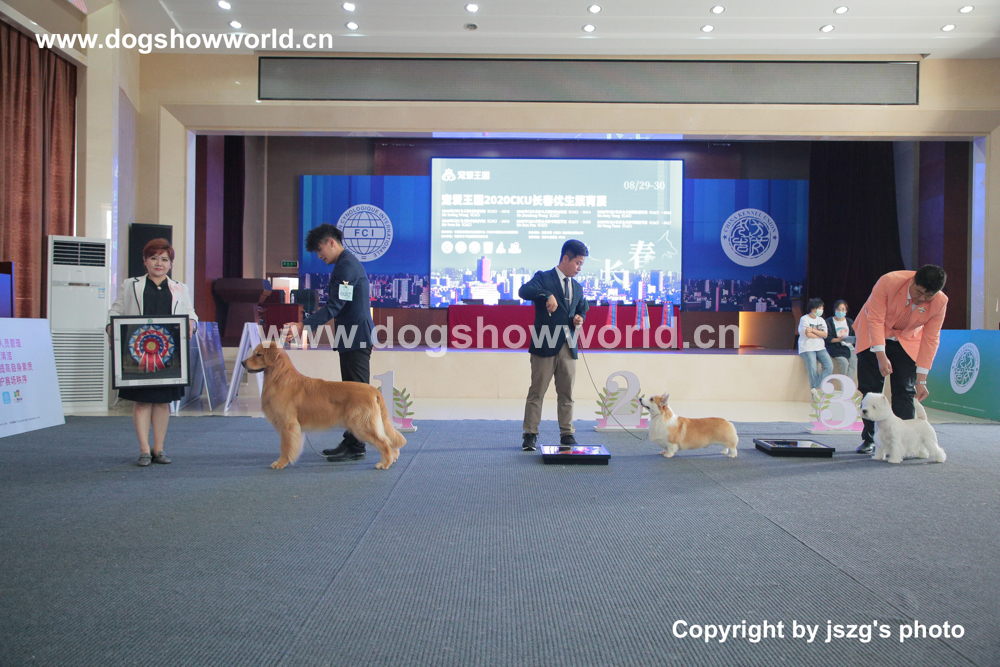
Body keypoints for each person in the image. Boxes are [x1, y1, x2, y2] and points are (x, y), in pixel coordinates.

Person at [284, 223, 375, 463]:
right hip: (351, 336)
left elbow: (335, 306)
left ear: (331, 242)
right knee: (351, 394)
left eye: (319, 249)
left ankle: (357, 446)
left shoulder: (346, 266)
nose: (319, 255)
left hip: (356, 337)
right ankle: (352, 441)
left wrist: (303, 326)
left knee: (357, 395)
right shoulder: (345, 264)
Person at [107, 239, 198, 467]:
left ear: (171, 263)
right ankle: (144, 450)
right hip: (138, 355)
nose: (159, 263)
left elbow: (191, 313)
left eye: (164, 259)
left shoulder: (180, 288)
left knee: (162, 402)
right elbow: (116, 311)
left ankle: (159, 448)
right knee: (142, 402)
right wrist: (110, 327)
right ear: (145, 261)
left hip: (169, 356)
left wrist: (192, 324)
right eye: (154, 258)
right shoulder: (130, 285)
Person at [853, 265, 948, 454]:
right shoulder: (889, 282)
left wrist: (921, 380)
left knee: (905, 390)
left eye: (928, 296)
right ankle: (871, 439)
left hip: (906, 339)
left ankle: (904, 443)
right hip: (872, 333)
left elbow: (931, 339)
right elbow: (876, 319)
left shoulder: (940, 302)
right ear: (913, 280)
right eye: (919, 292)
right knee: (871, 389)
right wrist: (881, 356)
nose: (922, 298)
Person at [518, 240, 590, 451]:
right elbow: (524, 290)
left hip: (568, 344)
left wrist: (580, 317)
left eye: (582, 264)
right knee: (537, 392)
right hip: (545, 343)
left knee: (567, 393)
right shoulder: (544, 278)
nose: (579, 268)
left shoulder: (577, 287)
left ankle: (567, 434)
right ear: (566, 258)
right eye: (577, 263)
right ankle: (530, 434)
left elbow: (582, 307)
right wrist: (547, 294)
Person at [797, 297, 834, 397]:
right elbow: (807, 334)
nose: (821, 310)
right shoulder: (804, 319)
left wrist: (813, 330)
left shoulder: (821, 320)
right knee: (813, 369)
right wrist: (819, 333)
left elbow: (825, 334)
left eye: (822, 308)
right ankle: (816, 396)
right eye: (819, 308)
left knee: (829, 365)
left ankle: (818, 388)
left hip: (820, 347)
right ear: (813, 308)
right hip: (807, 348)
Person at [825, 299, 857, 384]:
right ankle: (844, 382)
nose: (841, 311)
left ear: (846, 310)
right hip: (836, 347)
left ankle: (850, 384)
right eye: (838, 309)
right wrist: (838, 339)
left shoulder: (849, 322)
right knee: (844, 363)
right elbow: (827, 338)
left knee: (854, 362)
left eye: (843, 309)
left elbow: (854, 335)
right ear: (835, 310)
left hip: (849, 347)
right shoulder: (829, 322)